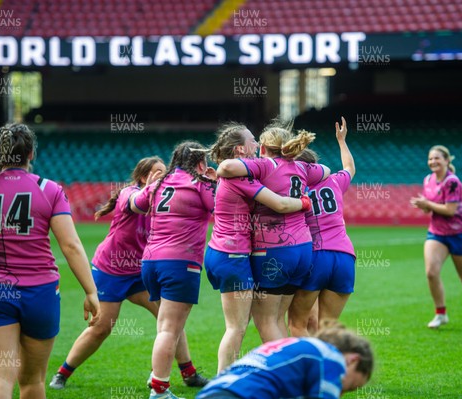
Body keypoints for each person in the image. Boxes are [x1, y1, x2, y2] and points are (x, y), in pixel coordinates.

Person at [0, 123, 100, 399]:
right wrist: (91, 290)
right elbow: (70, 245)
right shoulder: (50, 190)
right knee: (33, 382)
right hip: (41, 294)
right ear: (31, 153)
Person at [49, 157, 208, 390]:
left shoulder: (166, 197)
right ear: (143, 177)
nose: (163, 178)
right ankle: (62, 374)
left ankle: (189, 373)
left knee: (170, 320)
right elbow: (137, 203)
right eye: (157, 173)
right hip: (110, 269)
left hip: (140, 270)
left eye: (165, 173)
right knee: (102, 327)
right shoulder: (129, 194)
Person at [207, 123, 312, 372]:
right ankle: (225, 385)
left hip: (224, 253)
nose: (257, 145)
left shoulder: (239, 175)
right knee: (237, 327)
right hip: (233, 255)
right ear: (241, 148)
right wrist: (304, 202)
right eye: (252, 141)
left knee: (257, 322)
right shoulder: (239, 177)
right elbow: (280, 204)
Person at [217, 119, 330, 343]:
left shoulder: (266, 165)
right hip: (303, 249)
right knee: (278, 319)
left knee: (266, 321)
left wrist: (219, 170)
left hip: (274, 250)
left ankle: (286, 372)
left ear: (264, 148)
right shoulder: (302, 167)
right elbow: (326, 170)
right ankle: (293, 370)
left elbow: (227, 167)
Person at [129, 141, 216, 399]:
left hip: (151, 262)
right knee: (170, 330)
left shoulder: (158, 184)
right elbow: (218, 208)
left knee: (165, 327)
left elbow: (135, 204)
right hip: (180, 262)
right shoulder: (198, 183)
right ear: (199, 163)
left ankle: (158, 374)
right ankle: (159, 390)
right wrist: (211, 181)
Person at [289, 117, 356, 337]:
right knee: (327, 329)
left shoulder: (294, 188)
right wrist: (341, 141)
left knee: (297, 324)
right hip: (345, 256)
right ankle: (332, 370)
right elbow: (349, 167)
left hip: (316, 255)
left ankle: (312, 368)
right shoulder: (335, 181)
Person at [196, 321, 373, 399]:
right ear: (352, 360)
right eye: (348, 386)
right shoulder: (331, 357)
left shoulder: (296, 348)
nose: (340, 392)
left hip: (212, 391)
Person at [410, 145, 462, 329]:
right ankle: (441, 313)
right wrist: (423, 205)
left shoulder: (452, 182)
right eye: (430, 159)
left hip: (459, 234)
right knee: (431, 272)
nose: (433, 162)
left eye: (437, 158)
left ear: (447, 160)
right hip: (437, 233)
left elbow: (450, 210)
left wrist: (428, 204)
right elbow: (432, 207)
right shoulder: (428, 179)